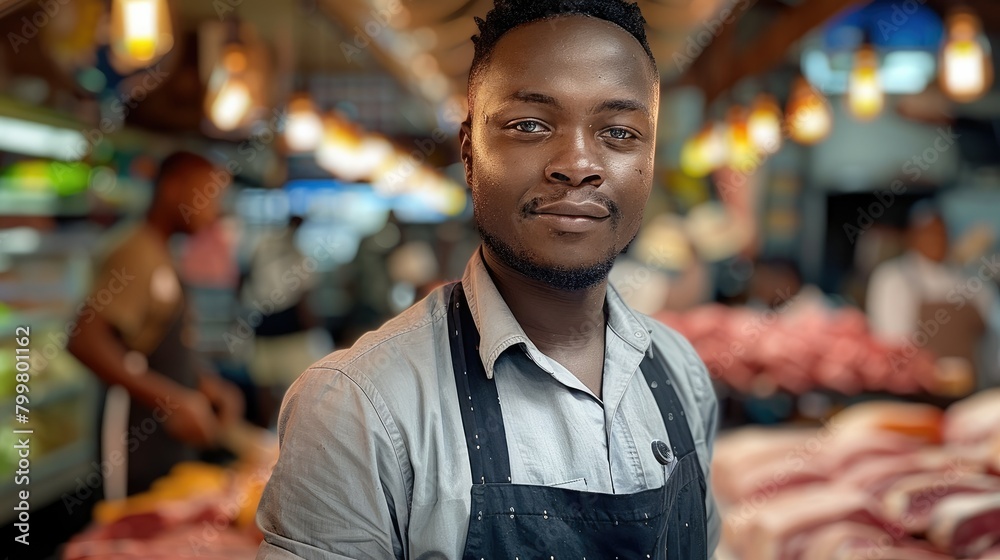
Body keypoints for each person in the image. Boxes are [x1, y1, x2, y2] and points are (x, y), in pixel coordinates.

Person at [256, 1, 720, 558]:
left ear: (650, 159)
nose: (577, 163)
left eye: (619, 132)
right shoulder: (358, 408)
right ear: (470, 154)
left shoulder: (679, 372)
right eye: (529, 125)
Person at [68, 151, 245, 497]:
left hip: (164, 438)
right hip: (133, 435)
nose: (213, 213)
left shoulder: (161, 251)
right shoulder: (136, 251)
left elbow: (154, 337)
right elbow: (83, 339)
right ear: (174, 189)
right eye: (207, 196)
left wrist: (205, 382)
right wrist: (171, 401)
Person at [867, 201, 994, 387]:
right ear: (912, 237)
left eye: (941, 233)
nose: (937, 240)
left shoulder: (973, 281)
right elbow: (891, 342)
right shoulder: (893, 278)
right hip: (916, 389)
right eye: (929, 233)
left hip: (971, 388)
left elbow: (992, 340)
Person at [241, 215, 329, 427]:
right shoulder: (296, 254)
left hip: (262, 324)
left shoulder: (261, 248)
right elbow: (304, 299)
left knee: (265, 386)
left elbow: (244, 283)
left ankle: (268, 431)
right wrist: (315, 328)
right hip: (290, 329)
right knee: (303, 385)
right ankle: (296, 430)